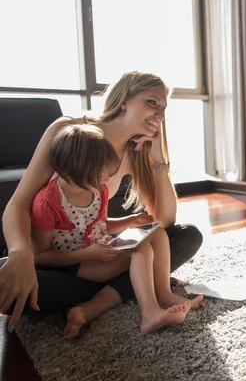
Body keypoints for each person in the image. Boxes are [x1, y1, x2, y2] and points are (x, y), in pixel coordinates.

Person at [0, 71, 203, 332]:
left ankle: (105, 296)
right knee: (5, 280)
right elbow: (18, 203)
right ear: (124, 101)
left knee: (186, 236)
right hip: (55, 258)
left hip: (99, 252)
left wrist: (158, 158)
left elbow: (163, 222)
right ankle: (129, 285)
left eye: (164, 108)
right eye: (152, 102)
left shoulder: (136, 150)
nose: (160, 115)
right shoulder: (70, 134)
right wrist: (20, 255)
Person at [30, 124, 204, 336]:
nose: (106, 180)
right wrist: (86, 254)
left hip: (99, 249)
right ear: (78, 170)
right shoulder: (47, 203)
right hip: (74, 264)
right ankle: (150, 314)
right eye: (101, 174)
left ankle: (163, 294)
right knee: (142, 251)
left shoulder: (98, 190)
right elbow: (40, 256)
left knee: (156, 233)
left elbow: (101, 225)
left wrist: (130, 221)